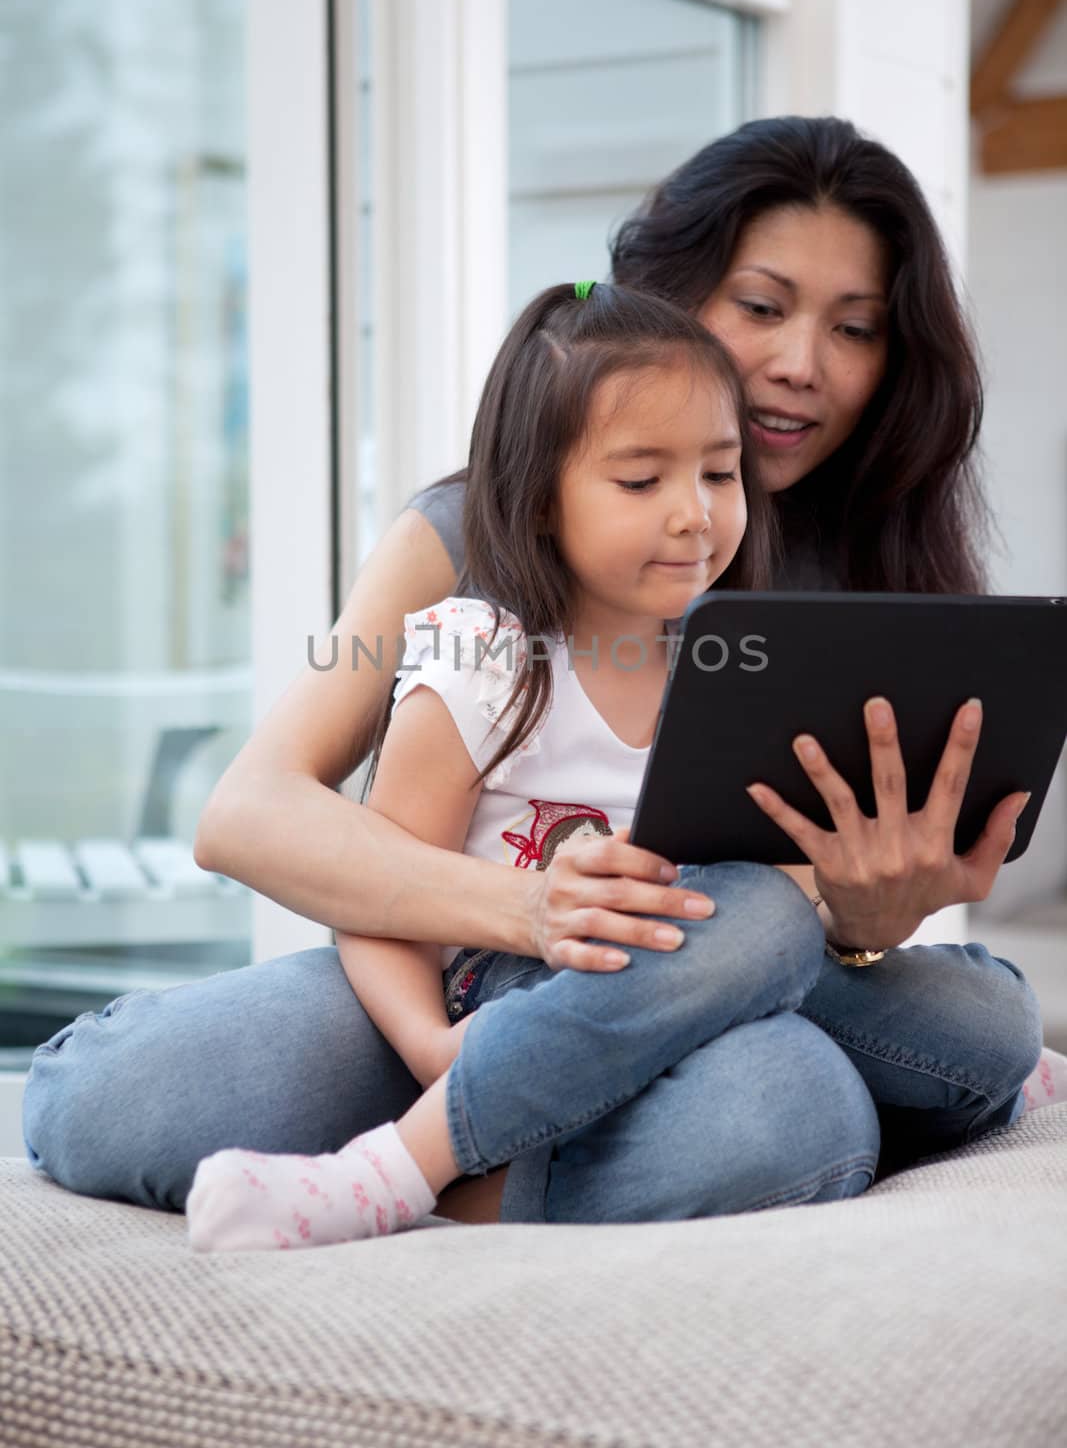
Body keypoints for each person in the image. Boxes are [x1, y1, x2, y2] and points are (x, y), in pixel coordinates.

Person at [22, 117, 1044, 1229]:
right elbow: (250, 814)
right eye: (759, 306)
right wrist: (532, 910)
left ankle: (455, 1164)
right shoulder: (475, 541)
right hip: (488, 976)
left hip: (731, 979)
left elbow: (801, 916)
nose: (801, 361)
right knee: (117, 1099)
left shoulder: (869, 569)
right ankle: (460, 1148)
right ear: (669, 295)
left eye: (854, 327)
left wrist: (859, 913)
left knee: (830, 1083)